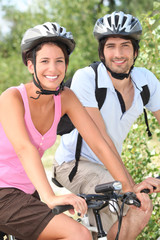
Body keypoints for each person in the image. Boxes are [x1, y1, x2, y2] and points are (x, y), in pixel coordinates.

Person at [0, 21, 146, 240]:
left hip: (28, 193)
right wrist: (50, 197)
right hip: (4, 193)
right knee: (78, 234)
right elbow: (24, 148)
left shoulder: (65, 97)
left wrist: (129, 188)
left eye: (59, 61)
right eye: (45, 61)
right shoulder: (12, 98)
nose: (53, 69)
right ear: (31, 65)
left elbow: (99, 143)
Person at [53, 11, 160, 240]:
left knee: (139, 209)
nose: (118, 54)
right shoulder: (87, 79)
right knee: (128, 202)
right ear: (102, 51)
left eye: (125, 46)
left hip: (109, 167)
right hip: (74, 164)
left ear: (136, 51)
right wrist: (129, 186)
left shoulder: (146, 81)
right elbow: (100, 142)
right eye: (111, 46)